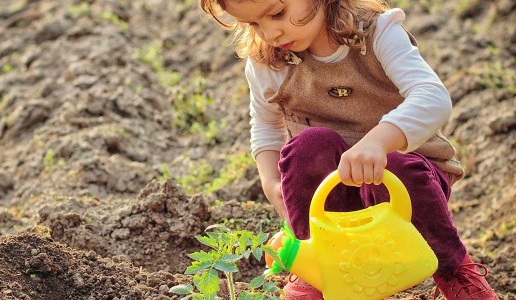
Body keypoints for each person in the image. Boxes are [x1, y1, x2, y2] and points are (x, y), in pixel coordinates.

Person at [198, 0, 500, 299]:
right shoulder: (269, 61)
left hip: (406, 188)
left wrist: (379, 142)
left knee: (395, 164)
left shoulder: (377, 32)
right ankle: (317, 268)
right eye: (253, 24)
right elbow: (265, 127)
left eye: (277, 13)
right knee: (310, 145)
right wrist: (270, 180)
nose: (270, 33)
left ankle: (453, 269)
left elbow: (432, 97)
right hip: (330, 197)